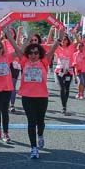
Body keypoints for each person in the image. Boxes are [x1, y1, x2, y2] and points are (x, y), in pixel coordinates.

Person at [6, 27, 56, 159]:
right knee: (31, 122)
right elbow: (16, 48)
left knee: (41, 122)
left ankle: (40, 134)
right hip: (27, 97)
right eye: (31, 53)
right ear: (28, 54)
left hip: (42, 97)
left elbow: (53, 49)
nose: (33, 55)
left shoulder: (44, 62)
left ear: (39, 54)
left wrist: (60, 38)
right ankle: (33, 147)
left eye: (36, 52)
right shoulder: (24, 61)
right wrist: (9, 36)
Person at [53, 34, 76, 113]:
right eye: (62, 39)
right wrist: (52, 32)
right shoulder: (57, 48)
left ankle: (64, 105)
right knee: (62, 88)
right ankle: (63, 106)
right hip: (59, 71)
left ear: (68, 40)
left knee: (67, 88)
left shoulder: (71, 47)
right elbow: (49, 44)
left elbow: (78, 41)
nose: (63, 40)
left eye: (65, 39)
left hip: (68, 71)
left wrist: (74, 33)